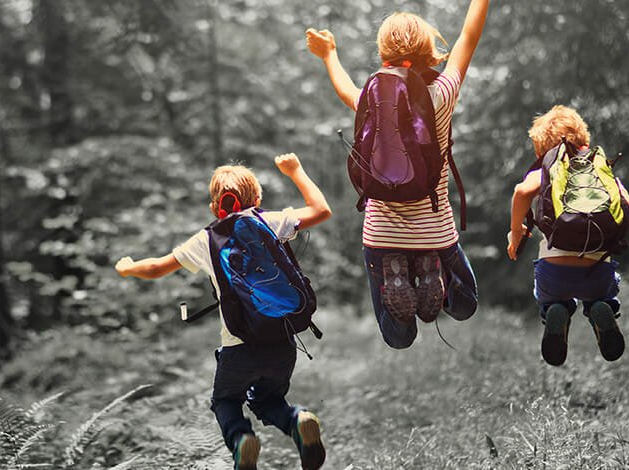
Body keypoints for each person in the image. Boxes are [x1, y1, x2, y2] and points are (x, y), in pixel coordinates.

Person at [115, 153, 332, 470]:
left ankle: (242, 440)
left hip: (237, 346)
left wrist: (129, 268)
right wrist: (295, 170)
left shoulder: (205, 239)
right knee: (269, 400)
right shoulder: (269, 222)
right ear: (256, 198)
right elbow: (321, 210)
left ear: (215, 207)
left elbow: (156, 268)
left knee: (226, 401)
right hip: (282, 341)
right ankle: (298, 421)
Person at [304, 0, 489, 348]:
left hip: (381, 235)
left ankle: (399, 276)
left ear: (384, 50)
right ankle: (436, 276)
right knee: (465, 305)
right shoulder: (442, 93)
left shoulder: (372, 100)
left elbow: (345, 88)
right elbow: (469, 35)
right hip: (435, 232)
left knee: (399, 337)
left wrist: (329, 54)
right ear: (426, 49)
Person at [506, 105, 629, 366]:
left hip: (553, 274)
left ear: (540, 150)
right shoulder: (601, 172)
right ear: (585, 140)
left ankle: (556, 310)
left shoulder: (546, 168)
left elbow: (522, 192)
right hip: (597, 273)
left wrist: (515, 231)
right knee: (602, 296)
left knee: (549, 297)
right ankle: (601, 308)